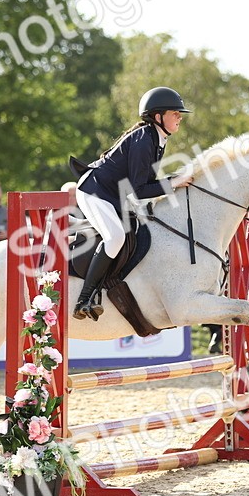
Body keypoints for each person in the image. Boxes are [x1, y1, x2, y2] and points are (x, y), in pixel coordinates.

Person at [72, 86, 194, 320]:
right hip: (93, 190)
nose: (179, 117)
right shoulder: (143, 140)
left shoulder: (156, 139)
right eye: (175, 113)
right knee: (115, 237)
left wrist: (173, 181)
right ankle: (84, 299)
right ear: (158, 116)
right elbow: (138, 191)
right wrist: (174, 182)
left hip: (111, 195)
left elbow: (144, 184)